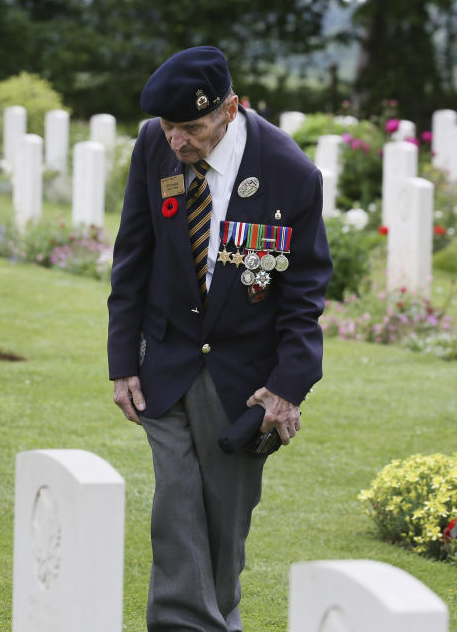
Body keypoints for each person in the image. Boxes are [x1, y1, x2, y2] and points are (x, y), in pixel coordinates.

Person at [107, 46, 331, 631]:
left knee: (224, 523)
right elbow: (133, 255)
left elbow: (305, 292)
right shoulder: (154, 146)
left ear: (231, 109)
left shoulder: (289, 172)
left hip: (240, 376)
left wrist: (288, 387)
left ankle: (219, 617)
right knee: (176, 503)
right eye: (169, 125)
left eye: (193, 126)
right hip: (166, 356)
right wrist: (120, 360)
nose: (177, 140)